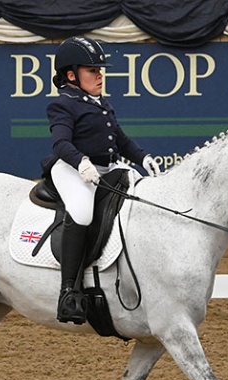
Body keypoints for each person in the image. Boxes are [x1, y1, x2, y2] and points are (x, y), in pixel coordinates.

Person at [40, 36, 161, 325]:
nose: (100, 75)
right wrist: (81, 162)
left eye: (100, 70)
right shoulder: (63, 104)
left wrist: (142, 158)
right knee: (81, 212)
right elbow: (60, 144)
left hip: (103, 168)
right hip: (72, 168)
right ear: (71, 75)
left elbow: (119, 139)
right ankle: (68, 291)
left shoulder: (100, 102)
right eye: (92, 70)